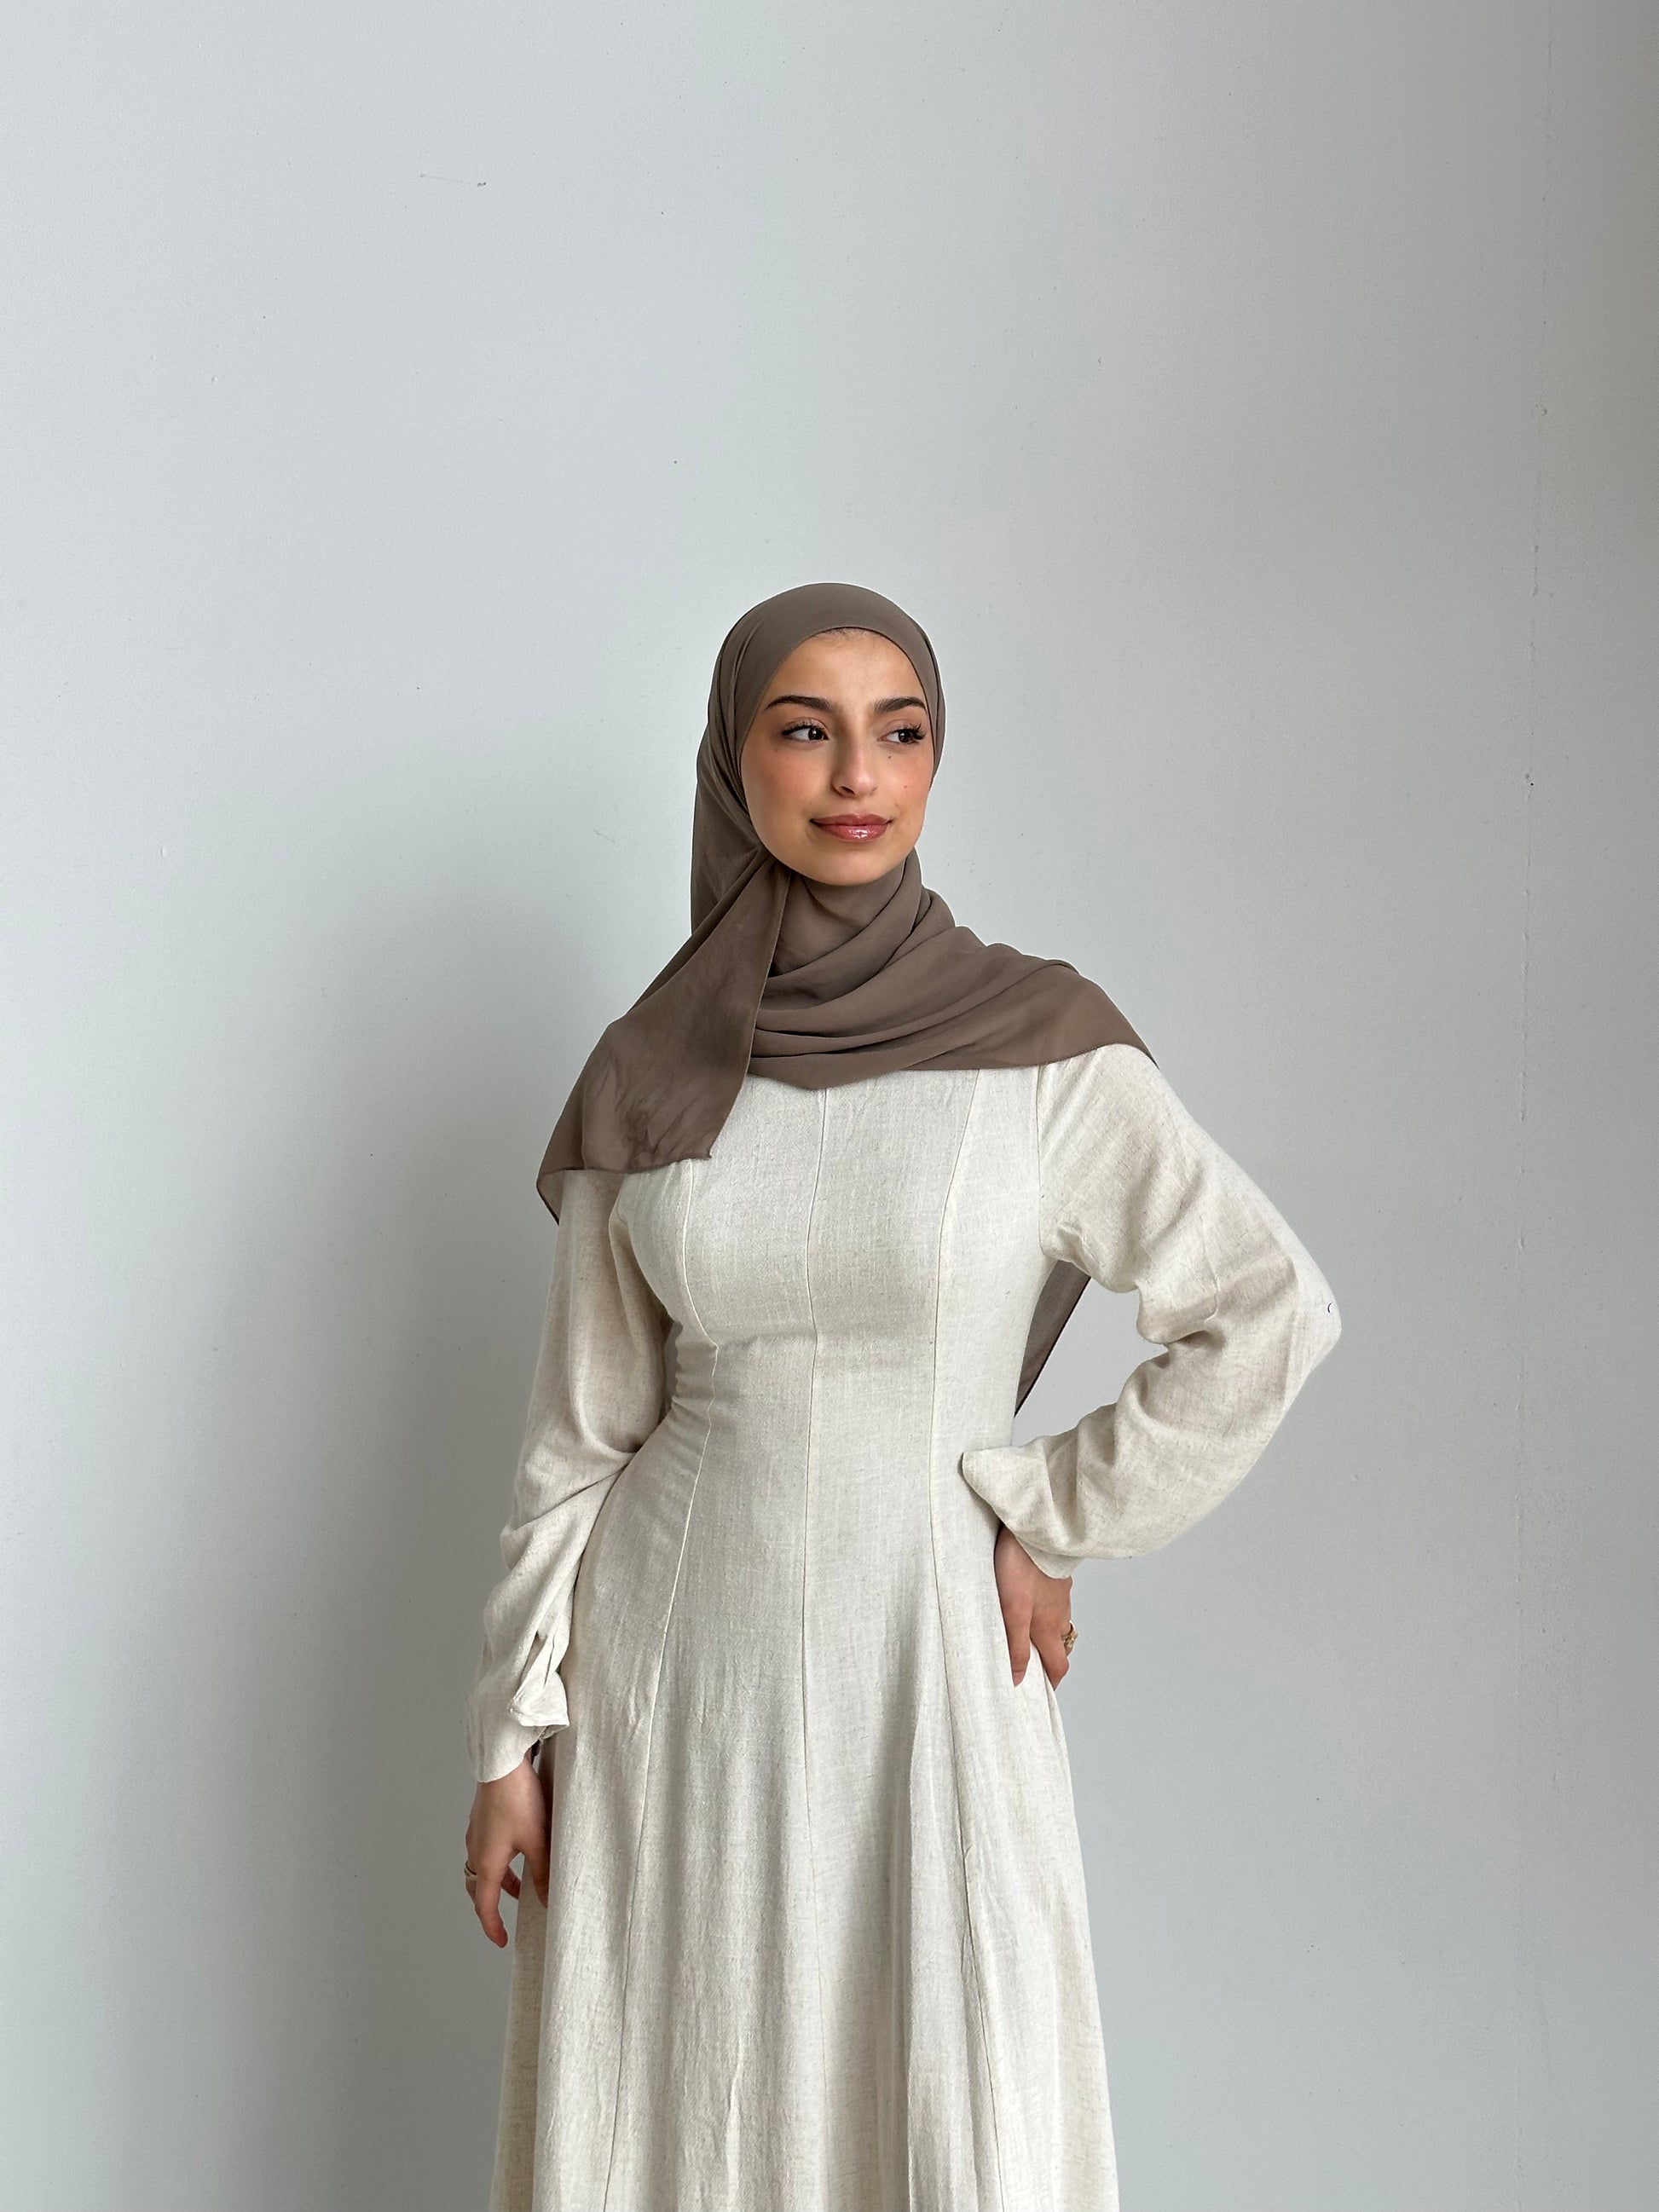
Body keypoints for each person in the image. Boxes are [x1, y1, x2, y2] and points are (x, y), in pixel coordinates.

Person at [461, 581, 1341, 2212]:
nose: (857, 774)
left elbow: (1265, 1307)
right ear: (733, 762)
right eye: (805, 731)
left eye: (901, 731)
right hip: (671, 1675)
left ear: (937, 759)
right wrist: (512, 1735)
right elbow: (578, 1434)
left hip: (925, 1657)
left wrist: (1052, 1515)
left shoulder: (1038, 1051)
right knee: (687, 2085)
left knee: (942, 2080)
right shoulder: (650, 1068)